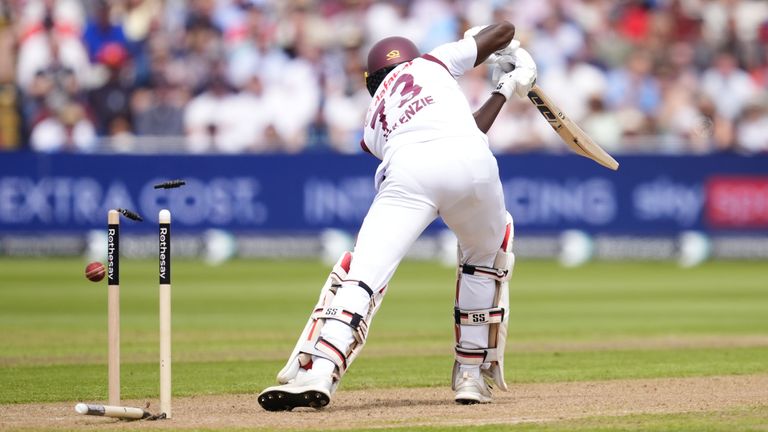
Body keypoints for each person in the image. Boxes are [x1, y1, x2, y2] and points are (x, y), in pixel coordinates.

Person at [258, 21, 537, 410]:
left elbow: (438, 137)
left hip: (409, 173)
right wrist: (509, 72)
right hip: (474, 166)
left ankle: (321, 369)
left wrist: (494, 57)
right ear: (412, 56)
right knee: (484, 261)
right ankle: (471, 376)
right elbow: (504, 29)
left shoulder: (372, 121)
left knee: (363, 275)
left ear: (372, 81)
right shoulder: (433, 62)